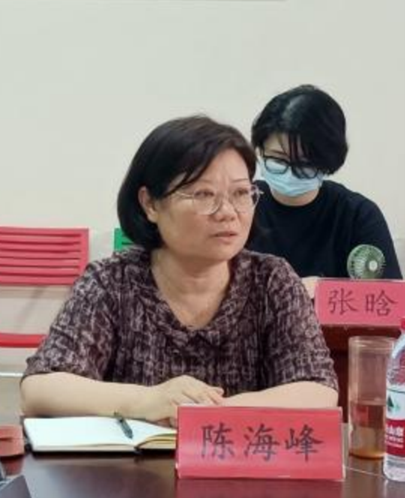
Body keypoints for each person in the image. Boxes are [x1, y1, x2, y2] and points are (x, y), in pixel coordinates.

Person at [20, 115, 338, 425]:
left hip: (237, 459)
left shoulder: (273, 281)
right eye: (203, 194)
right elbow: (40, 388)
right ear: (150, 204)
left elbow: (318, 387)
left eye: (241, 193)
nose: (228, 212)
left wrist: (208, 416)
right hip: (131, 462)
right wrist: (147, 401)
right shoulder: (110, 282)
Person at [248, 85, 402, 296]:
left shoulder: (357, 215)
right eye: (278, 159)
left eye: (303, 164)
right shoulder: (242, 206)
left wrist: (327, 290)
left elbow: (390, 301)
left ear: (328, 163)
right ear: (260, 151)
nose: (290, 172)